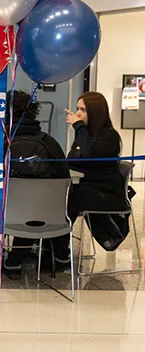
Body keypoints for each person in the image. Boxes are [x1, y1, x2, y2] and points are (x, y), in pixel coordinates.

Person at [53, 91, 129, 265]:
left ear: (95, 113)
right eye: (77, 109)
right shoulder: (85, 135)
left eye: (83, 110)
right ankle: (52, 246)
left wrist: (79, 126)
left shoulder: (109, 136)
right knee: (59, 197)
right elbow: (72, 160)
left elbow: (89, 155)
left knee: (71, 201)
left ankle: (60, 253)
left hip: (106, 193)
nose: (78, 114)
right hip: (88, 187)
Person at [2, 90, 69, 277]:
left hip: (6, 215)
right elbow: (64, 179)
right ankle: (59, 256)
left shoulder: (0, 143)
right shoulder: (49, 143)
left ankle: (13, 259)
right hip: (47, 216)